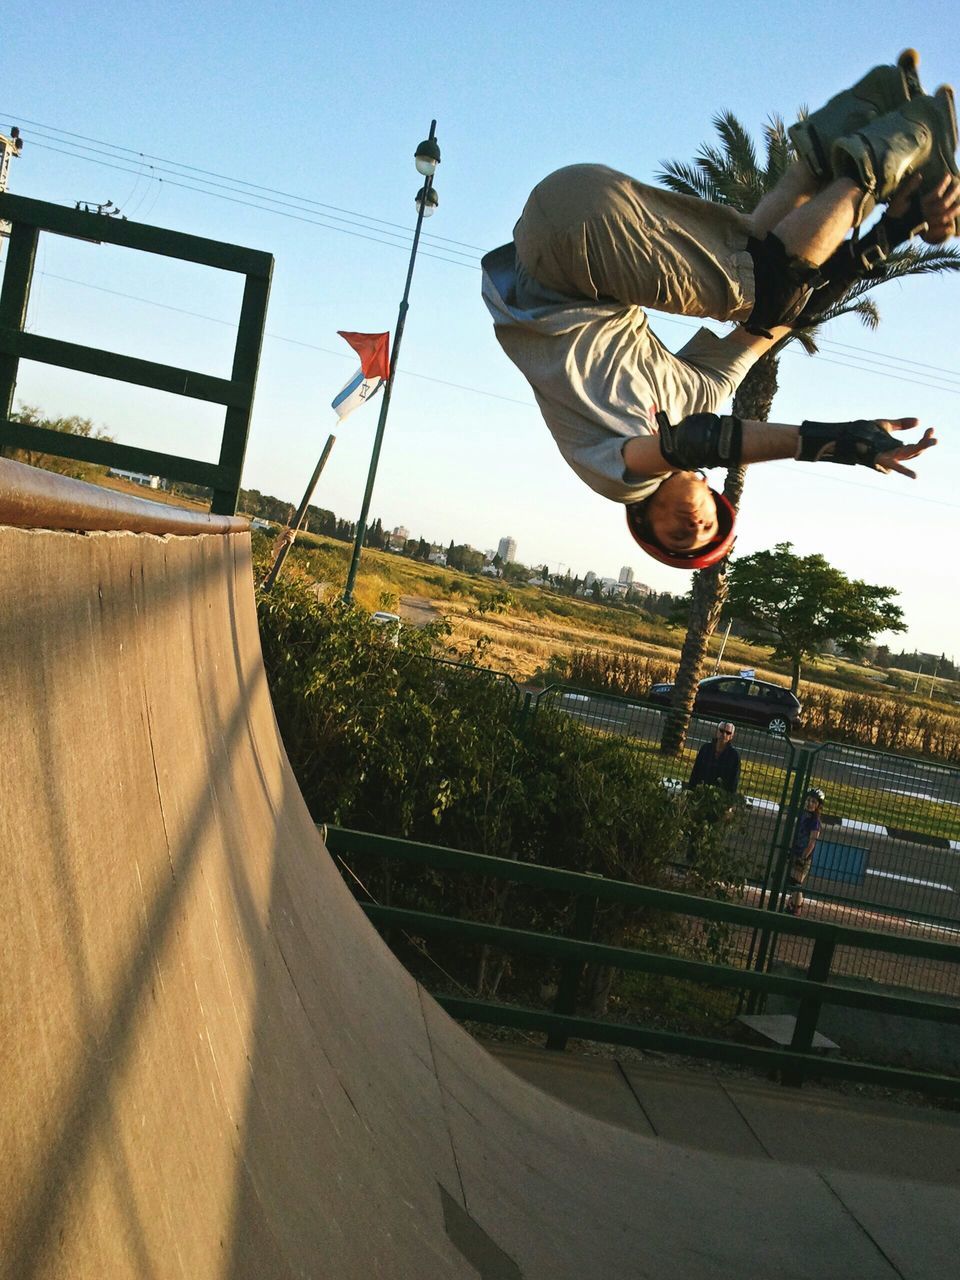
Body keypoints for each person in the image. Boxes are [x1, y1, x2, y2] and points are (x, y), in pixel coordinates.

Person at [481, 50, 957, 569]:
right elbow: (782, 325)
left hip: (570, 254)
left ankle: (903, 144)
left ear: (644, 522)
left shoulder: (620, 481)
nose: (695, 527)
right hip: (580, 213)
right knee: (759, 259)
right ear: (711, 493)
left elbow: (691, 442)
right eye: (708, 525)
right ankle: (866, 109)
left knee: (765, 284)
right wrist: (892, 232)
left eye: (679, 538)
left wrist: (829, 443)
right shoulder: (701, 390)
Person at [784, 788, 826, 915]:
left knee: (796, 883)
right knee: (792, 881)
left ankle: (796, 907)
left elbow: (812, 842)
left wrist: (803, 857)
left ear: (818, 805)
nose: (810, 803)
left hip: (803, 856)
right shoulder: (803, 815)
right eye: (808, 800)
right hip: (795, 851)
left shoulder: (815, 822)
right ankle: (794, 904)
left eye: (813, 801)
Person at [688, 722, 741, 796]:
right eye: (721, 731)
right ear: (717, 731)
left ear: (731, 736)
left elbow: (734, 781)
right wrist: (690, 790)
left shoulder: (734, 756)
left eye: (728, 733)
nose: (724, 734)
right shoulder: (705, 749)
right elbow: (695, 772)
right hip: (700, 791)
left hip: (720, 796)